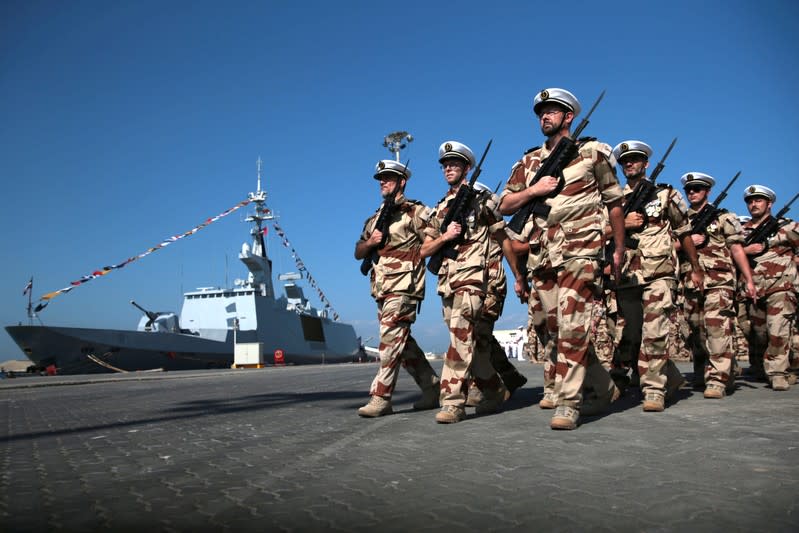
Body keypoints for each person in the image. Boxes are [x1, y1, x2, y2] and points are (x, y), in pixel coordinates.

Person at [499, 88, 624, 430]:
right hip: (543, 255)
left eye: (553, 111)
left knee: (573, 327)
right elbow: (504, 205)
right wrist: (533, 191)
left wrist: (618, 248)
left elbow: (615, 202)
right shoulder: (527, 163)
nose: (545, 116)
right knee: (558, 331)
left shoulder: (592, 153)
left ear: (568, 117)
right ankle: (604, 386)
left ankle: (569, 403)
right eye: (542, 111)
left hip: (582, 249)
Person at [421, 141, 525, 424]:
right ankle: (494, 390)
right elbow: (424, 250)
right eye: (445, 165)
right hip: (447, 282)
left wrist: (518, 276)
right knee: (474, 343)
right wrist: (445, 236)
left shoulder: (483, 199)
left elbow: (503, 238)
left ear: (467, 168)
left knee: (459, 339)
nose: (449, 168)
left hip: (474, 280)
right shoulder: (440, 208)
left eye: (455, 164)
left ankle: (453, 402)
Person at [609, 141, 704, 412]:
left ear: (646, 163)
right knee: (632, 334)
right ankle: (671, 378)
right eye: (625, 160)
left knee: (655, 332)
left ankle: (653, 390)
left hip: (659, 272)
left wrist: (695, 268)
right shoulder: (613, 198)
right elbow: (601, 230)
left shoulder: (665, 194)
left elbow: (684, 232)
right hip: (627, 274)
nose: (629, 163)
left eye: (635, 159)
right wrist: (622, 224)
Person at [354, 159, 440, 417]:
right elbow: (358, 252)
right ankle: (431, 386)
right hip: (381, 287)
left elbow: (432, 241)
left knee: (390, 342)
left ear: (402, 182)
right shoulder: (374, 219)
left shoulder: (415, 212)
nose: (383, 182)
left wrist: (420, 256)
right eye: (381, 178)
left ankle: (381, 397)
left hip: (404, 286)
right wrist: (371, 243)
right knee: (403, 344)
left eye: (389, 178)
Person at [678, 172, 756, 398]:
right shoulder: (680, 220)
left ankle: (717, 380)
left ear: (708, 192)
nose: (692, 193)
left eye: (697, 189)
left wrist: (748, 279)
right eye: (689, 189)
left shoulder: (723, 217)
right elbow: (668, 245)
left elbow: (736, 249)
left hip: (719, 281)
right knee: (696, 331)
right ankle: (707, 373)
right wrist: (686, 243)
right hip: (690, 283)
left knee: (717, 329)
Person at [465, 182, 528, 407]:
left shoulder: (495, 221)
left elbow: (514, 244)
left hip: (492, 282)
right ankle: (509, 375)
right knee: (476, 333)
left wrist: (519, 277)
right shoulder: (468, 227)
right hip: (470, 282)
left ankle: (480, 385)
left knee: (479, 333)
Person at [739, 185, 799, 391]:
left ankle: (778, 373)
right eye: (750, 201)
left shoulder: (787, 227)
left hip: (781, 288)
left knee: (778, 330)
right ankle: (764, 367)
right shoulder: (742, 230)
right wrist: (746, 249)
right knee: (759, 333)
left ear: (769, 204)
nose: (753, 204)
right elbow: (729, 253)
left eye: (758, 200)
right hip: (754, 289)